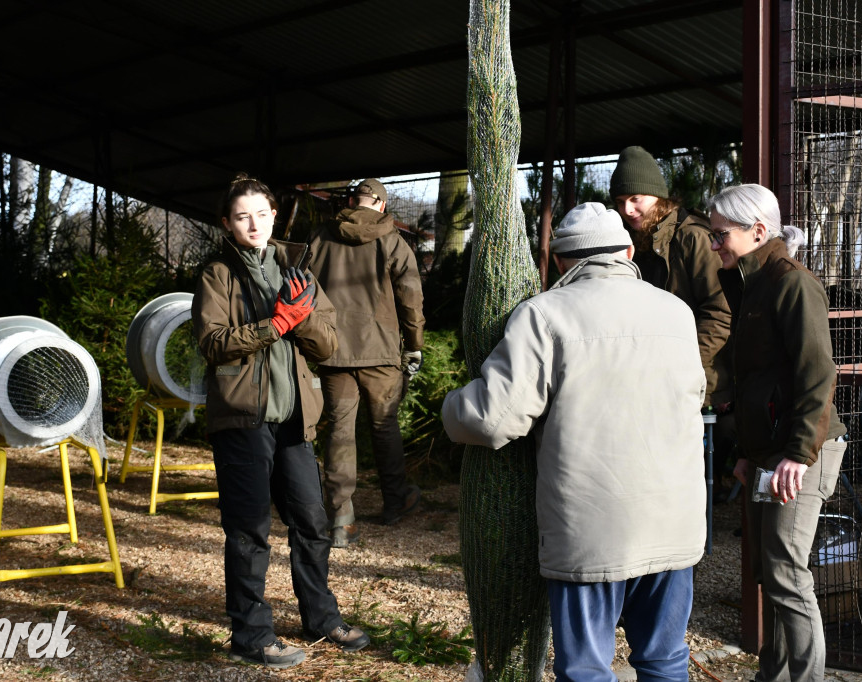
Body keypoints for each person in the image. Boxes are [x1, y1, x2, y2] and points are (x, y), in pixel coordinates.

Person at [442, 202, 707, 681]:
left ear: (562, 261)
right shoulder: (678, 312)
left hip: (593, 530)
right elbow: (697, 393)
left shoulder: (545, 314)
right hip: (674, 524)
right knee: (665, 659)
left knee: (586, 668)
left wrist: (451, 406)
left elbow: (494, 418)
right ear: (627, 251)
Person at [193, 174, 369, 669]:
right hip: (242, 418)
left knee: (312, 522)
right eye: (242, 216)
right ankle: (251, 634)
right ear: (228, 223)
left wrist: (302, 318)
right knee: (249, 530)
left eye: (261, 213)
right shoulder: (217, 274)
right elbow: (212, 342)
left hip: (294, 419)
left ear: (275, 215)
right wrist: (277, 325)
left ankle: (320, 617)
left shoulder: (298, 270)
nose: (254, 223)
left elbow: (328, 343)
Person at [708, 183, 847, 682]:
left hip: (803, 450)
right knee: (770, 574)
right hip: (770, 452)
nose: (714, 243)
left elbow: (818, 373)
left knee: (787, 573)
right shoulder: (749, 285)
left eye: (721, 234)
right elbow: (756, 381)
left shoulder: (791, 283)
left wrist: (796, 454)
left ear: (758, 231)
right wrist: (746, 453)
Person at [611, 146, 736, 498]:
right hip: (650, 373)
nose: (627, 209)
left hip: (697, 374)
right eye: (620, 201)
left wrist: (679, 364)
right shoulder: (633, 241)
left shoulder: (692, 236)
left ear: (658, 195)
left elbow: (720, 312)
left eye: (635, 198)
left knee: (690, 477)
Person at [307, 178, 426, 548]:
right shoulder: (392, 241)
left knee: (340, 430)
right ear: (380, 205)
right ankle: (396, 501)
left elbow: (301, 290)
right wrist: (414, 344)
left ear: (353, 200)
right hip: (381, 352)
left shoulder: (320, 238)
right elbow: (410, 298)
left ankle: (341, 517)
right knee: (384, 425)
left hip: (333, 351)